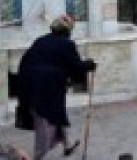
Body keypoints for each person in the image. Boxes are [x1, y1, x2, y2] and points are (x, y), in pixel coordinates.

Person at [17, 15, 97, 160]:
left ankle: (67, 145)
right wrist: (89, 65)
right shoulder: (66, 44)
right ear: (67, 31)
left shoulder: (41, 40)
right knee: (46, 121)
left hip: (29, 85)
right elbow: (76, 66)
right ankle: (38, 156)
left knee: (57, 115)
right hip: (44, 89)